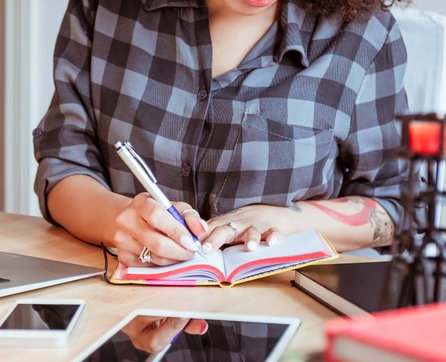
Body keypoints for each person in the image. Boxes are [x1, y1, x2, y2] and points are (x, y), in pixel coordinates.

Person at [33, 0, 409, 267]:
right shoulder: (105, 9)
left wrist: (291, 221)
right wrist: (120, 221)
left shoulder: (362, 34)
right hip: (118, 304)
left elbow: (398, 207)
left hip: (289, 314)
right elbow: (63, 165)